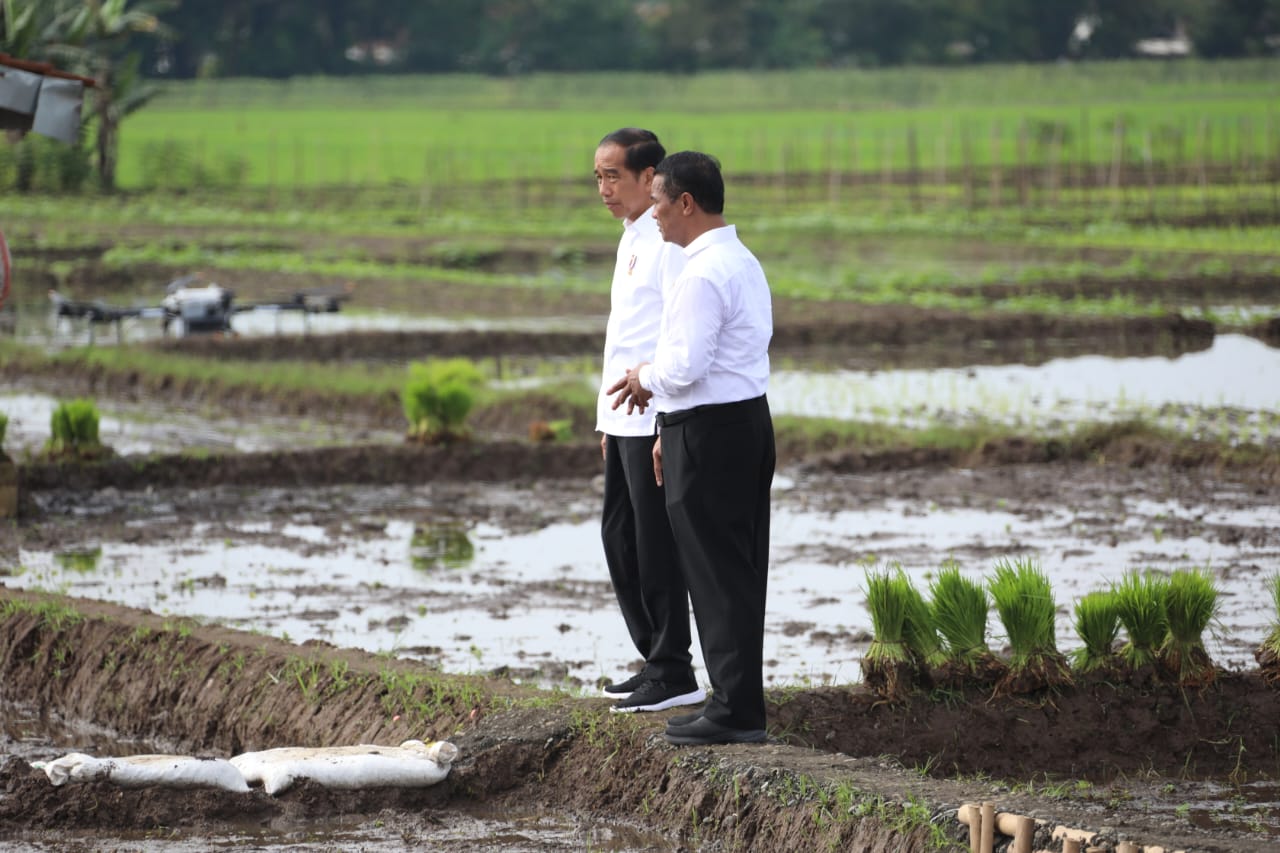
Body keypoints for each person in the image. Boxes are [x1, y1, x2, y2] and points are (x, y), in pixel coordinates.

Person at [608, 150, 775, 746]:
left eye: (658, 201)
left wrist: (642, 378)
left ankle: (734, 711)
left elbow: (685, 363)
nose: (651, 214)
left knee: (715, 572)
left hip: (711, 430)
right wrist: (666, 428)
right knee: (735, 568)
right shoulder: (739, 258)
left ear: (685, 203)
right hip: (738, 422)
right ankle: (737, 703)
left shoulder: (703, 272)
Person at [593, 128, 704, 714]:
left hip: (651, 414)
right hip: (623, 417)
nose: (604, 188)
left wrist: (665, 423)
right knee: (620, 538)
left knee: (652, 545)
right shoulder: (632, 238)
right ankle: (657, 660)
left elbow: (667, 339)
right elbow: (622, 339)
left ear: (649, 177)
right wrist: (606, 422)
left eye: (614, 176)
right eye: (599, 177)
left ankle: (672, 668)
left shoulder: (664, 244)